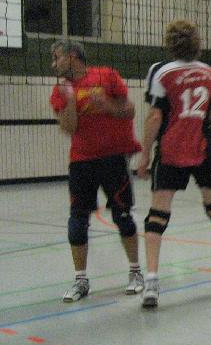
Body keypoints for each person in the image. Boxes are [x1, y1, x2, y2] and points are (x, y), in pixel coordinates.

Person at [136, 20, 211, 308]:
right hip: (203, 147)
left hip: (172, 149)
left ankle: (151, 282)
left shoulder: (162, 72)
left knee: (158, 214)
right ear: (197, 43)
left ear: (171, 43)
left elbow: (155, 116)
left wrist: (144, 155)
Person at [49, 40, 143, 302]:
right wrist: (69, 100)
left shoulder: (106, 76)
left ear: (72, 56)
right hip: (82, 162)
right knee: (77, 221)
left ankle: (135, 272)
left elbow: (130, 111)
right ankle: (81, 280)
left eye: (57, 58)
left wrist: (107, 105)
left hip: (114, 159)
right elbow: (69, 128)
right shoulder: (60, 89)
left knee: (123, 216)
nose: (53, 64)